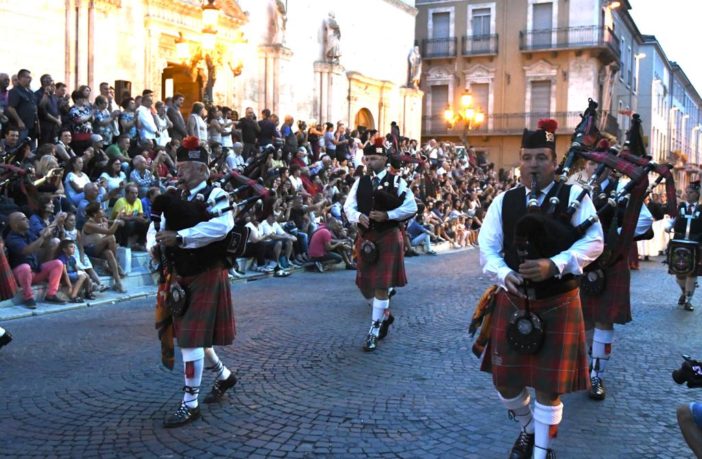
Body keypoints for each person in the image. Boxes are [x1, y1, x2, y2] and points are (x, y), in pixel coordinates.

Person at [477, 120, 604, 458]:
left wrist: (555, 264)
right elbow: (487, 248)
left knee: (549, 387)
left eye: (542, 157)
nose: (534, 164)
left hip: (558, 300)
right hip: (515, 299)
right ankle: (532, 430)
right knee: (505, 382)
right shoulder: (505, 201)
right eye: (527, 157)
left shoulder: (575, 197)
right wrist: (504, 274)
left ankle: (542, 451)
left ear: (554, 160)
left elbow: (595, 242)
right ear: (520, 159)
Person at [146, 136, 238, 428]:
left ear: (202, 169)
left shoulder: (216, 194)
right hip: (179, 273)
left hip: (207, 270)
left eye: (186, 166)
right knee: (192, 335)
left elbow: (223, 226)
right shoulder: (174, 195)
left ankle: (190, 404)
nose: (180, 170)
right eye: (180, 165)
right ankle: (224, 376)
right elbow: (155, 225)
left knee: (190, 339)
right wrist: (154, 243)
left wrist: (182, 237)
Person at [578, 145, 654, 402]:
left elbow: (644, 220)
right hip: (581, 262)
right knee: (584, 318)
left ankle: (597, 374)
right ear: (585, 166)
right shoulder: (575, 189)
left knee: (603, 319)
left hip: (610, 262)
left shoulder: (624, 191)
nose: (596, 169)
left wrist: (615, 237)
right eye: (591, 164)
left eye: (603, 166)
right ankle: (587, 364)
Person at [343, 137, 418, 352]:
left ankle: (373, 331)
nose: (369, 162)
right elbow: (349, 206)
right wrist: (358, 216)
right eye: (367, 158)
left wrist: (388, 215)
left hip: (388, 235)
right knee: (366, 287)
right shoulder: (361, 182)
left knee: (381, 287)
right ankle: (385, 314)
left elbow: (412, 206)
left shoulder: (397, 182)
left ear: (384, 159)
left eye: (374, 158)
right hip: (367, 237)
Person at [6, 212, 67, 309]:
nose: (27, 220)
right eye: (23, 219)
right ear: (15, 224)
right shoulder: (12, 239)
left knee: (58, 263)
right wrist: (43, 236)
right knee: (25, 267)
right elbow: (27, 250)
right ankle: (28, 297)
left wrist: (56, 227)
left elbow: (43, 243)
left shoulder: (28, 233)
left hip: (35, 271)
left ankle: (51, 294)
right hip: (21, 275)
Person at [668, 181, 702, 312]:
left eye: (691, 192)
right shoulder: (681, 206)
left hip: (695, 244)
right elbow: (674, 220)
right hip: (679, 243)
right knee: (679, 273)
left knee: (692, 273)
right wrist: (669, 226)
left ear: (697, 194)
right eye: (686, 192)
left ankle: (688, 300)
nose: (687, 195)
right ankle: (684, 291)